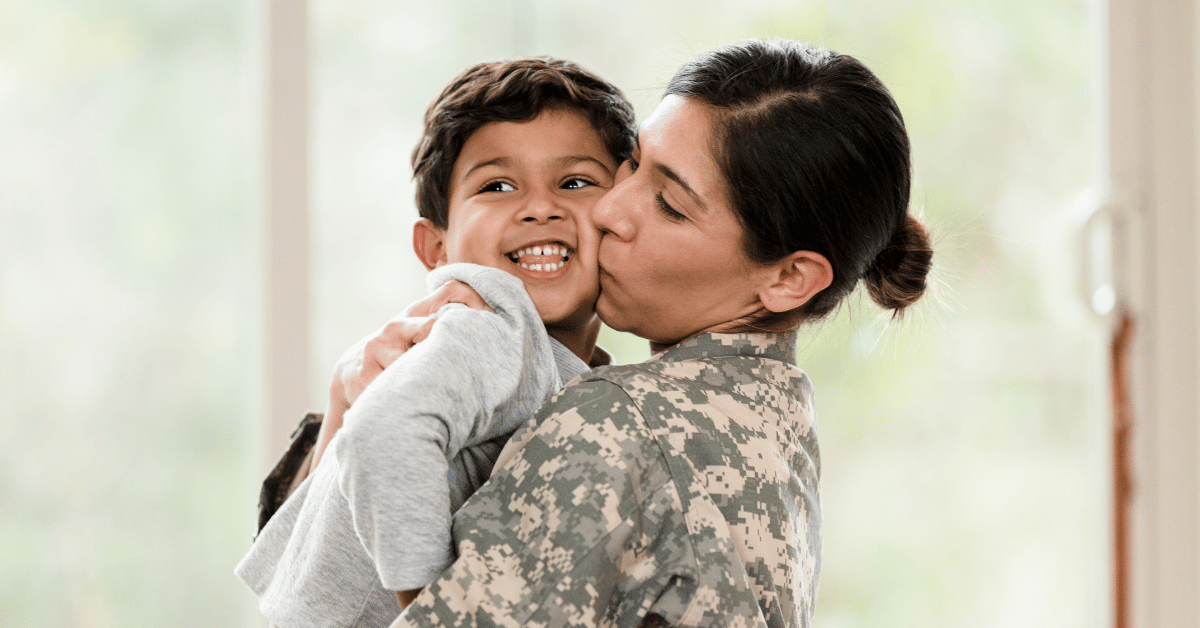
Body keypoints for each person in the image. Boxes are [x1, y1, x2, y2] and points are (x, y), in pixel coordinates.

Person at [349, 39, 932, 628]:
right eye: (633, 164)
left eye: (670, 204)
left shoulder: (615, 424)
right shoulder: (776, 414)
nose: (609, 212)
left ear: (789, 278)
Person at [235, 57, 637, 628]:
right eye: (498, 186)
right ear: (436, 249)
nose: (540, 206)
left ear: (625, 217)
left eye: (575, 182)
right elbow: (381, 434)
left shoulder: (561, 371)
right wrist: (430, 614)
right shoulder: (493, 324)